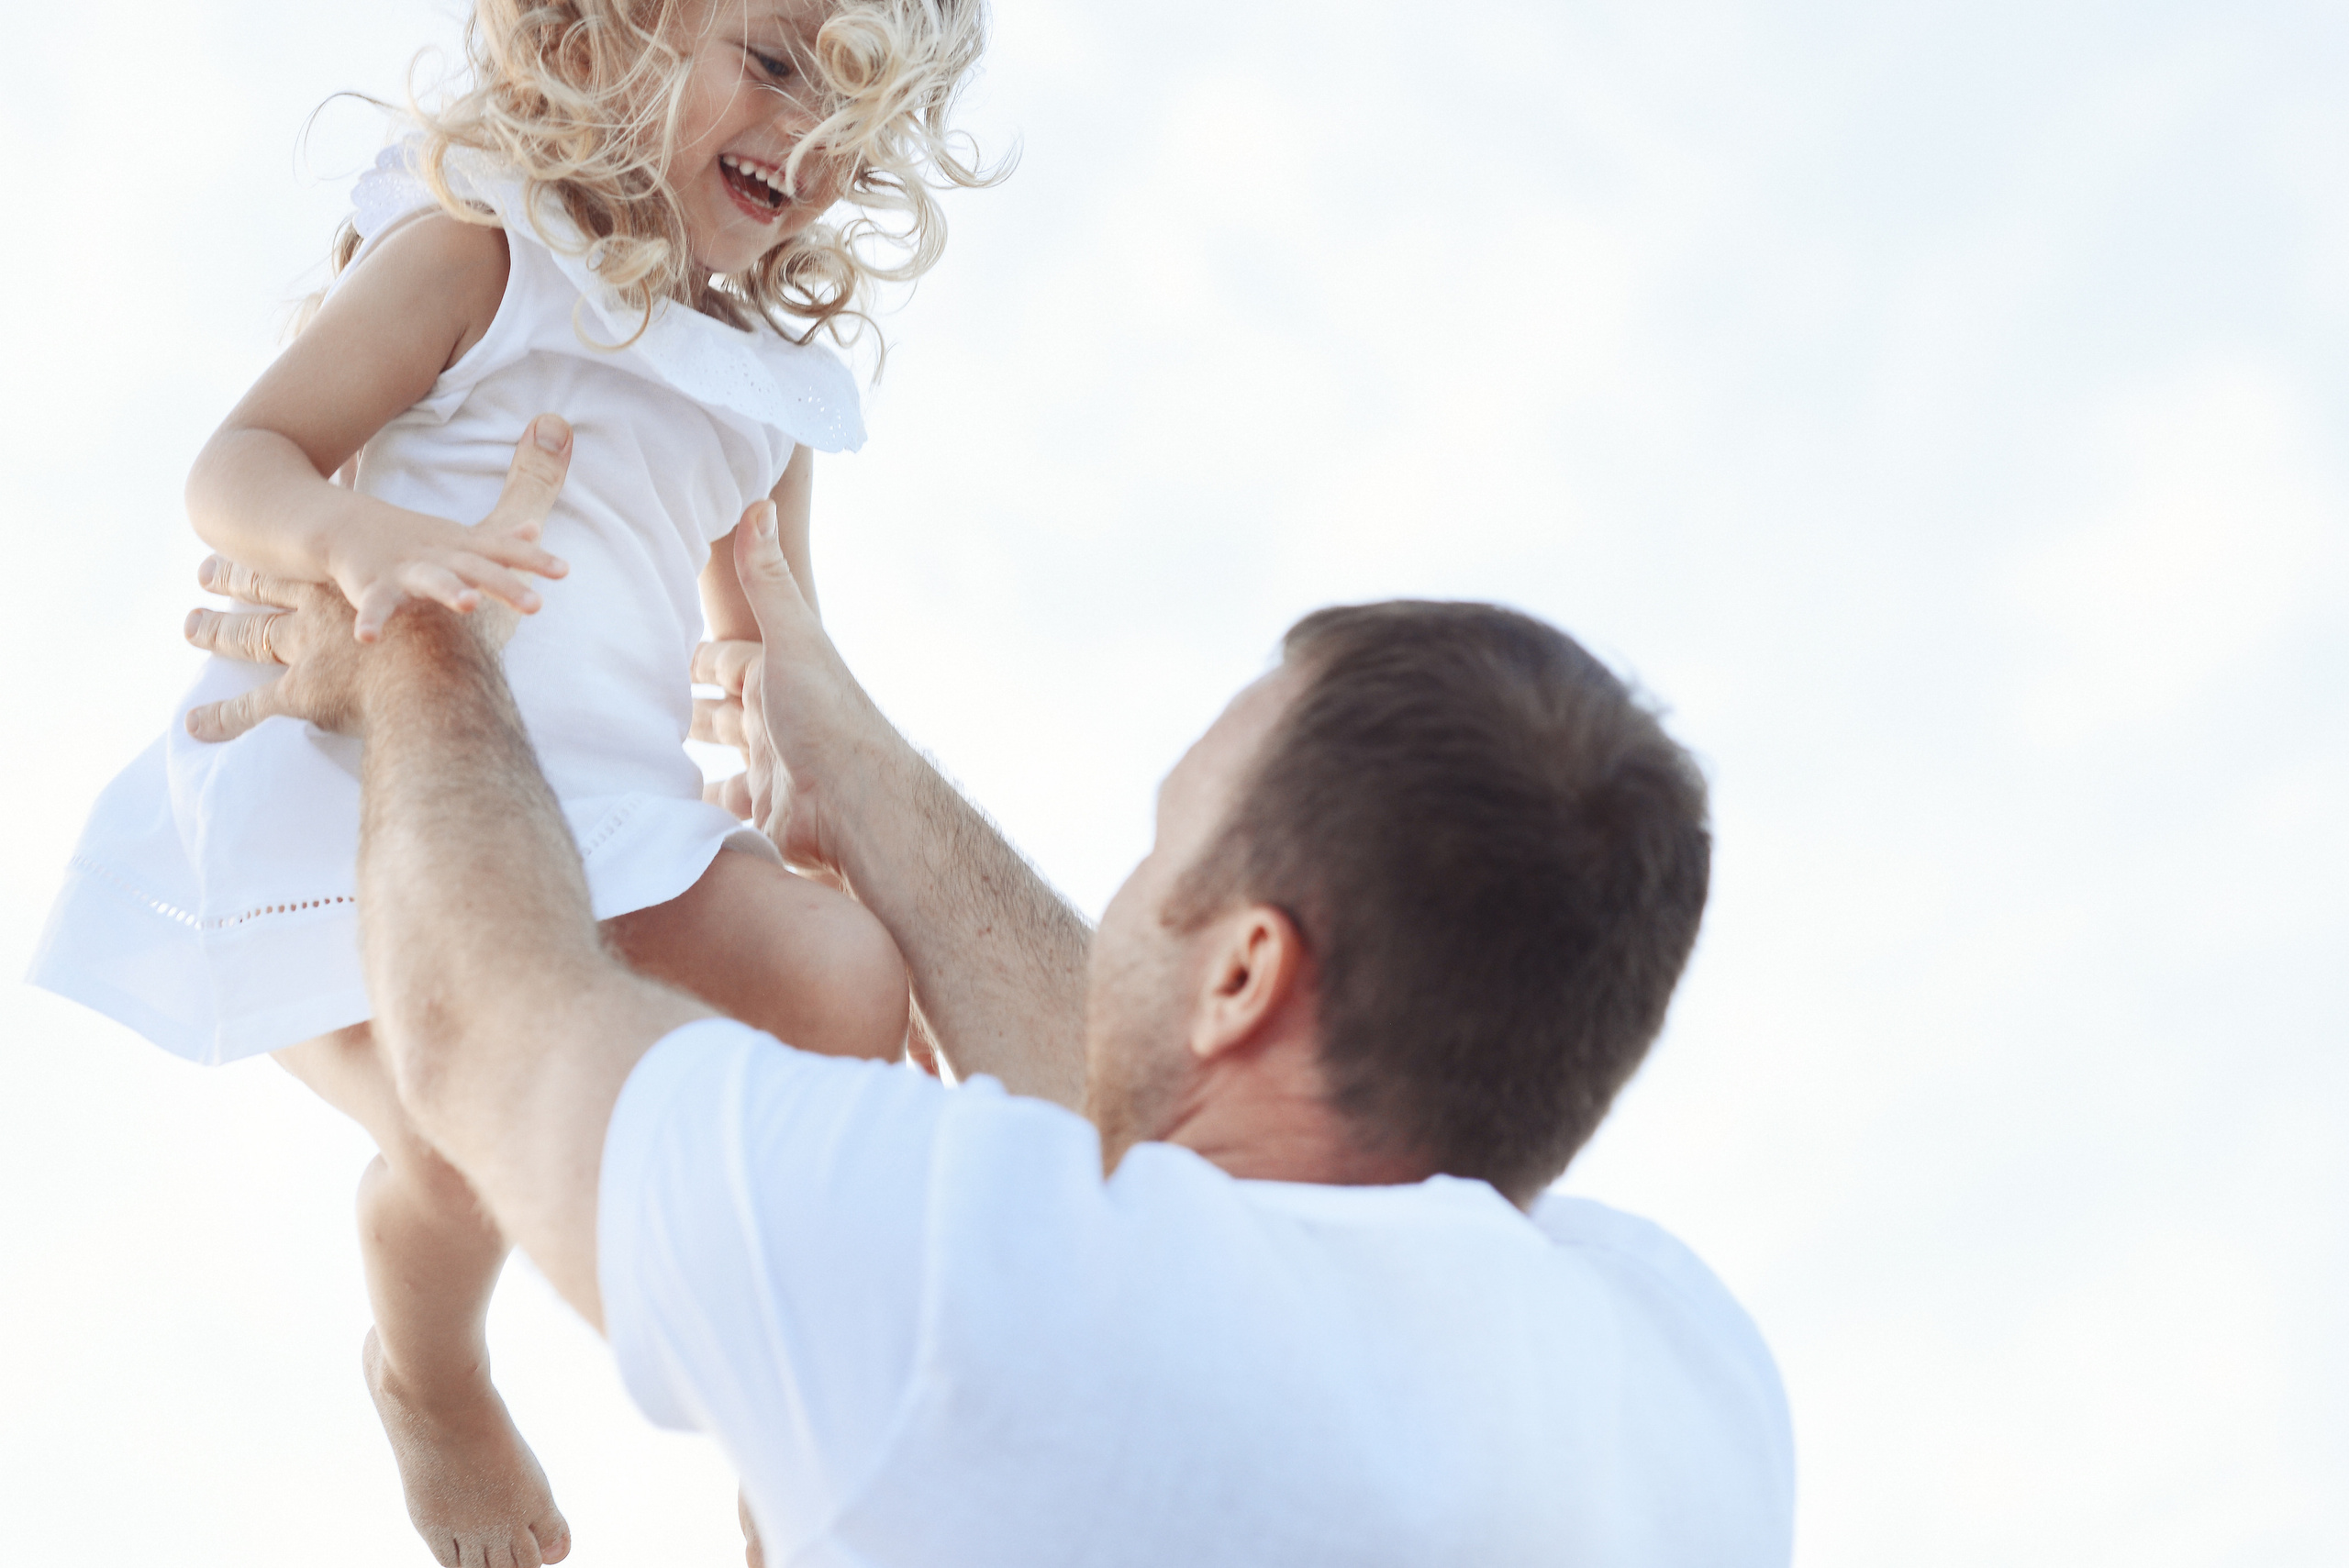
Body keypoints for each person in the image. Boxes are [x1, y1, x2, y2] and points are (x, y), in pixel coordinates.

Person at [181, 425, 1798, 1568]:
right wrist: (846, 752)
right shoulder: (1684, 1383)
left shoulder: (991, 1331)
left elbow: (486, 1027)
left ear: (1242, 971)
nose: (1118, 918)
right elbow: (1162, 1205)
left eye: (1164, 849)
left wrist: (413, 640)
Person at [28, 4, 994, 1562]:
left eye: (861, 121)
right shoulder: (484, 250)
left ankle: (789, 1449)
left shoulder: (766, 396)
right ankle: (432, 1376)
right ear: (609, 34)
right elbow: (244, 457)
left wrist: (787, 749)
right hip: (371, 795)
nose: (813, 140)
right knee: (464, 1130)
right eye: (776, 62)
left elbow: (769, 641)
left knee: (844, 974)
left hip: (612, 816)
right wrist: (357, 542)